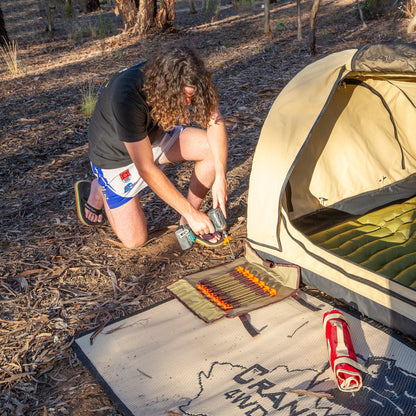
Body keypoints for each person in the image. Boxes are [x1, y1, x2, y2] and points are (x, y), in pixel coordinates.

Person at [75, 46, 228, 249]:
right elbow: (146, 169)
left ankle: (188, 223)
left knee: (211, 149)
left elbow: (215, 121)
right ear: (168, 87)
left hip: (153, 136)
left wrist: (220, 175)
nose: (189, 102)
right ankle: (99, 187)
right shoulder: (127, 98)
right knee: (135, 241)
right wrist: (192, 214)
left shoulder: (187, 78)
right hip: (115, 157)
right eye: (185, 95)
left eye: (192, 95)